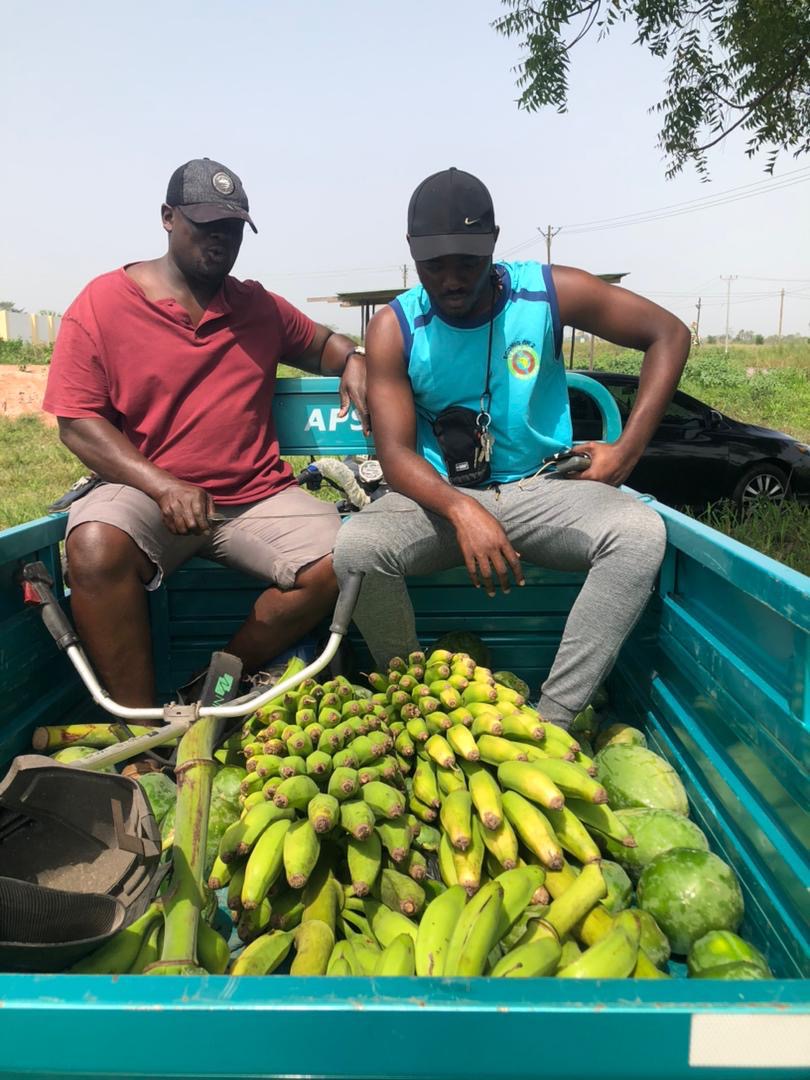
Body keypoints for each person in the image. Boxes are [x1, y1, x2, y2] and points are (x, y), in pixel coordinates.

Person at [333, 167, 690, 729]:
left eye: (468, 264)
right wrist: (461, 508)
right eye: (434, 266)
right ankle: (415, 708)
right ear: (412, 254)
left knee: (639, 536)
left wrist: (626, 451)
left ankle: (553, 724)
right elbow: (396, 454)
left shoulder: (545, 292)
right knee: (357, 549)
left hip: (542, 488)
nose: (451, 280)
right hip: (437, 501)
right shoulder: (395, 327)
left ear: (493, 244)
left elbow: (668, 333)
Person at [43, 157, 368, 708]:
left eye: (233, 229)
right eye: (206, 225)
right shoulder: (102, 304)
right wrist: (163, 486)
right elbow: (76, 421)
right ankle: (144, 730)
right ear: (168, 217)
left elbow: (323, 345)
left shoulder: (257, 306)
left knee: (349, 555)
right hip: (148, 494)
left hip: (254, 499)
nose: (221, 240)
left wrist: (352, 360)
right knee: (93, 546)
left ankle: (216, 688)